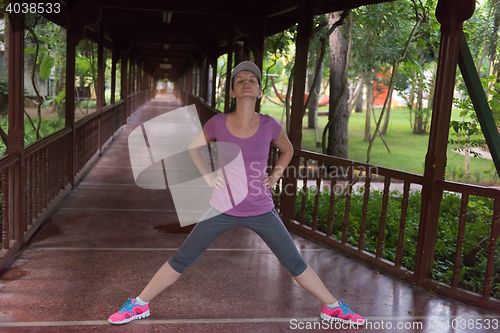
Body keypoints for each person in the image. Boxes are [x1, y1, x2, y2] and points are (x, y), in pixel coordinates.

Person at [108, 61, 365, 326]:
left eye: (251, 80)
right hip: (221, 207)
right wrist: (209, 176)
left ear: (259, 91)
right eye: (240, 80)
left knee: (294, 262)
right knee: (182, 258)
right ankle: (138, 305)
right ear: (232, 91)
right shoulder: (218, 123)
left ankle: (333, 307)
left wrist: (275, 176)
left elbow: (287, 150)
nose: (246, 82)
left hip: (260, 208)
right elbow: (194, 147)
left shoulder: (269, 125)